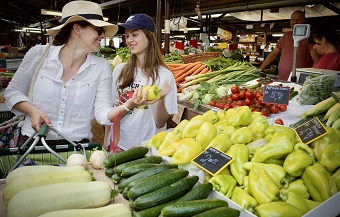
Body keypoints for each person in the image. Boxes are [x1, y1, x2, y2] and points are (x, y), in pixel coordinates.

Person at [4, 1, 125, 146]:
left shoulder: (101, 67)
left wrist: (129, 105)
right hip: (32, 143)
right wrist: (32, 111)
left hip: (75, 150)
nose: (103, 35)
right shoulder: (39, 55)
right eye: (99, 30)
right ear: (77, 29)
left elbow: (102, 114)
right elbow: (13, 92)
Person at [104, 13, 178, 151]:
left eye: (135, 34)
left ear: (150, 36)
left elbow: (160, 122)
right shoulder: (119, 71)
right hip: (119, 145)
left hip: (147, 150)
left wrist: (160, 100)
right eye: (127, 36)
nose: (129, 40)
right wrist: (107, 144)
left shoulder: (165, 76)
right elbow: (111, 111)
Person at [259, 10, 319, 81]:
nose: (295, 22)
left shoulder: (309, 37)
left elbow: (316, 60)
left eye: (298, 19)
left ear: (304, 21)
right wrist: (260, 69)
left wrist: (315, 79)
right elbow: (273, 54)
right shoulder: (286, 36)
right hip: (282, 77)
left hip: (301, 79)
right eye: (293, 20)